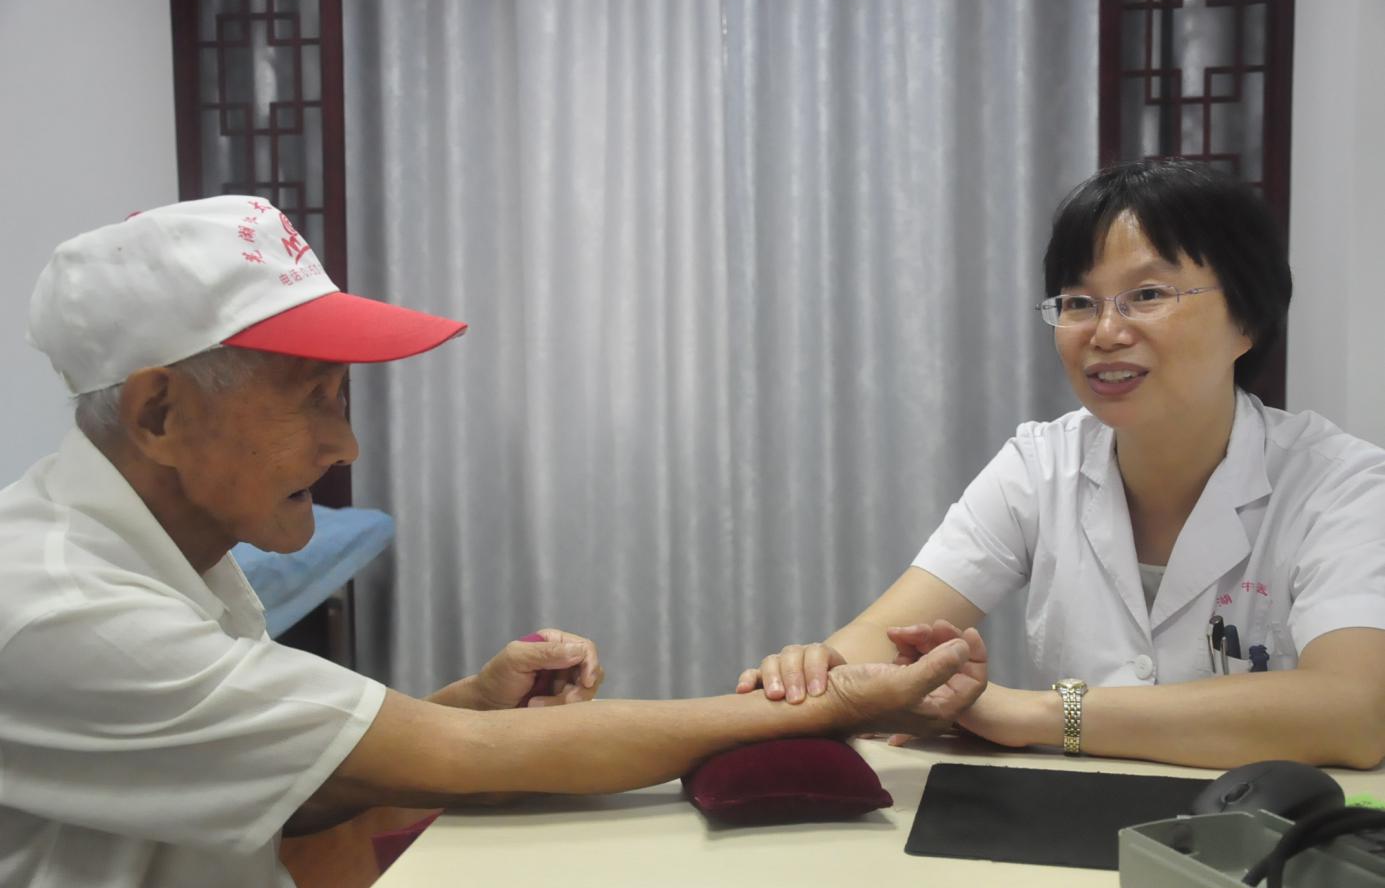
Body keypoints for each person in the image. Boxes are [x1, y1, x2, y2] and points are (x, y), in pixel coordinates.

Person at [0, 196, 984, 888]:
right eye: (313, 402)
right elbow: (454, 755)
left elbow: (287, 777)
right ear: (160, 410)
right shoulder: (61, 608)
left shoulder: (163, 557)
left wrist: (470, 703)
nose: (345, 444)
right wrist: (816, 709)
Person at [739, 159, 1385, 771]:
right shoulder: (1039, 465)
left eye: (1146, 294)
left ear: (1247, 317)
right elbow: (886, 634)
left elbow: (1354, 712)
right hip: (1068, 827)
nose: (1104, 332)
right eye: (1077, 303)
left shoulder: (1340, 486)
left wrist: (1033, 714)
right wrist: (818, 671)